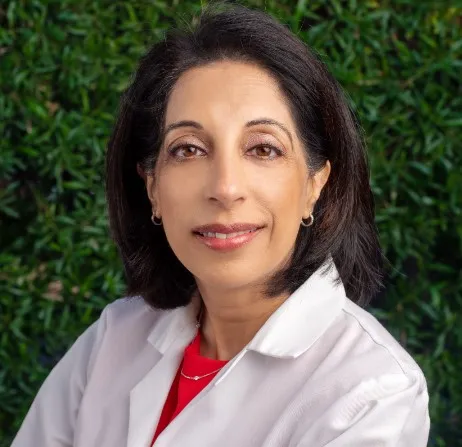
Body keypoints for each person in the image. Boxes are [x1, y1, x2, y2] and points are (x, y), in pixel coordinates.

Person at [12, 3, 430, 446]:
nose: (226, 188)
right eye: (188, 149)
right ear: (152, 187)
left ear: (314, 184)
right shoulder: (113, 339)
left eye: (263, 149)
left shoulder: (371, 393)